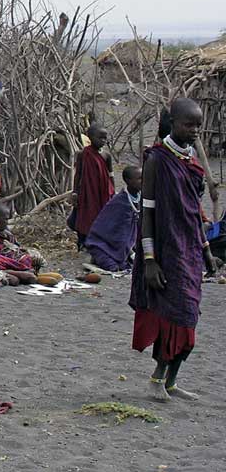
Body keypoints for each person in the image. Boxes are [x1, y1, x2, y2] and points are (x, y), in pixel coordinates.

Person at [130, 99, 222, 402]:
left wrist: (206, 249)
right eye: (188, 124)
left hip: (191, 249)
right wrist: (150, 260)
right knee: (175, 318)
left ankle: (171, 381)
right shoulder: (157, 159)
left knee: (190, 316)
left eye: (198, 125)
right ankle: (157, 378)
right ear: (173, 122)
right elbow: (148, 212)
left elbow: (193, 210)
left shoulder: (191, 160)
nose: (194, 130)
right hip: (166, 250)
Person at [85, 165, 143, 272]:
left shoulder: (140, 198)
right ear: (128, 181)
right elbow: (119, 233)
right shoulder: (120, 202)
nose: (143, 181)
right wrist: (130, 252)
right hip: (104, 244)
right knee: (114, 267)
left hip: (126, 244)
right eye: (139, 179)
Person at [72, 124, 114, 247]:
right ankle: (82, 242)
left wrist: (113, 191)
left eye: (105, 138)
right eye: (100, 138)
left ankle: (100, 242)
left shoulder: (106, 156)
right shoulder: (82, 154)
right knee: (85, 216)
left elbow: (111, 175)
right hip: (87, 192)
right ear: (90, 137)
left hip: (103, 191)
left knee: (102, 215)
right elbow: (78, 174)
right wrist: (75, 192)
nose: (103, 141)